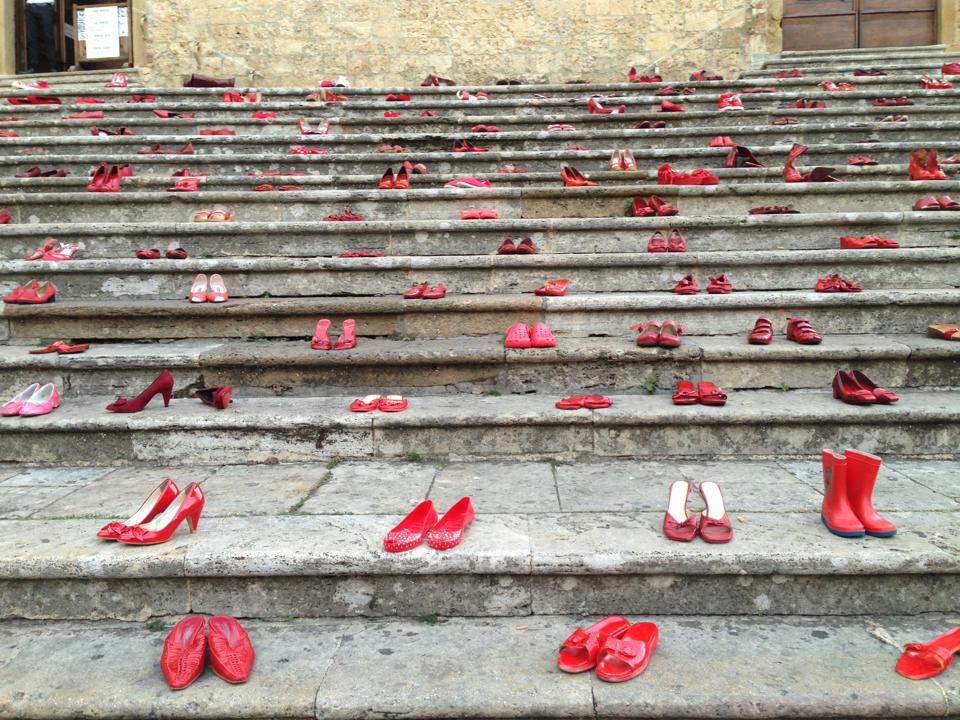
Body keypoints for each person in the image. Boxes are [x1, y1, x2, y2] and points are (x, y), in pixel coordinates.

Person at [25, 0, 59, 73]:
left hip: (46, 6)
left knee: (48, 37)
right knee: (31, 38)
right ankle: (33, 66)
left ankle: (53, 65)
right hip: (30, 6)